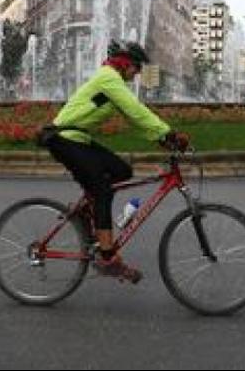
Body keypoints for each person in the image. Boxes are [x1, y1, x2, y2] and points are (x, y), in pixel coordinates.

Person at [38, 40, 190, 284]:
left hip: (77, 138)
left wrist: (161, 139)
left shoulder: (112, 81)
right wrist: (168, 134)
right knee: (101, 188)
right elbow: (135, 110)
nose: (138, 73)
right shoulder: (109, 78)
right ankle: (107, 256)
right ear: (124, 64)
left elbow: (133, 119)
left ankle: (89, 210)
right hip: (64, 139)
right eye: (137, 67)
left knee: (122, 170)